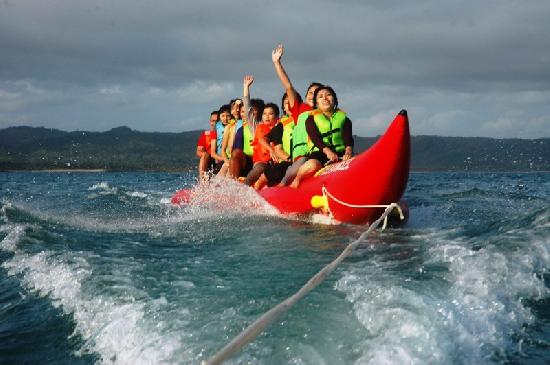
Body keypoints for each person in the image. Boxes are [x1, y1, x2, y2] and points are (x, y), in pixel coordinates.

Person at [271, 44, 323, 185]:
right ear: (306, 96)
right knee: (301, 162)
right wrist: (277, 63)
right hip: (301, 157)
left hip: (321, 155)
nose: (314, 95)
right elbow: (288, 86)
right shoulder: (299, 109)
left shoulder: (327, 113)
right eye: (311, 93)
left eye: (318, 93)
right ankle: (283, 186)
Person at [290, 85, 354, 188]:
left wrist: (348, 152)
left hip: (341, 153)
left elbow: (348, 139)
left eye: (328, 95)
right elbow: (315, 138)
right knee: (312, 165)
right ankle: (297, 180)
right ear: (317, 103)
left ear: (334, 99)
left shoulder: (345, 119)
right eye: (320, 96)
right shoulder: (311, 120)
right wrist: (328, 152)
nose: (325, 98)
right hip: (321, 153)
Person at [229, 75, 264, 178]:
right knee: (236, 153)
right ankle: (233, 184)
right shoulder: (254, 125)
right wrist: (246, 87)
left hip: (265, 161)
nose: (252, 113)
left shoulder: (276, 125)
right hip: (249, 161)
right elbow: (247, 105)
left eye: (255, 110)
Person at [244, 102, 280, 187]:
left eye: (270, 114)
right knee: (260, 168)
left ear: (277, 116)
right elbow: (248, 111)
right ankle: (244, 186)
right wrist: (246, 88)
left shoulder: (281, 128)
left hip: (276, 161)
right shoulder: (257, 127)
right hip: (261, 161)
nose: (267, 116)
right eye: (264, 114)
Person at [196, 111, 218, 181]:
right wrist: (206, 155)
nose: (214, 123)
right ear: (210, 122)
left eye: (217, 121)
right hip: (209, 161)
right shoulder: (205, 135)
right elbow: (199, 151)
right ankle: (203, 182)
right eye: (213, 121)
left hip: (221, 159)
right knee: (204, 156)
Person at [211, 105, 232, 176]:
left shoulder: (234, 126)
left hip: (232, 158)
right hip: (220, 159)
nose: (225, 118)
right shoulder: (216, 129)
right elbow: (212, 153)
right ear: (219, 117)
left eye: (228, 116)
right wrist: (224, 159)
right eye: (223, 116)